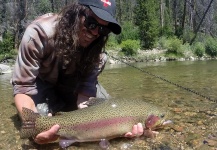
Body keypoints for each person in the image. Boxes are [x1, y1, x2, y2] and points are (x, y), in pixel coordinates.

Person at [12, 0, 143, 145]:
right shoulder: (39, 33)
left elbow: (85, 97)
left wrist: (111, 127)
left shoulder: (96, 52)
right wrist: (36, 129)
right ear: (75, 13)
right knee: (39, 121)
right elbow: (23, 87)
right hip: (42, 85)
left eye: (102, 29)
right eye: (91, 23)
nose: (94, 33)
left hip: (72, 86)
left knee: (111, 111)